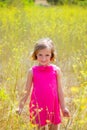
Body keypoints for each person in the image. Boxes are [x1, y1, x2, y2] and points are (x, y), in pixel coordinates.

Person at [16, 38, 70, 130]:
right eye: (40, 55)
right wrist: (20, 107)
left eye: (47, 55)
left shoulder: (56, 70)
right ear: (35, 55)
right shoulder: (32, 71)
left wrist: (63, 108)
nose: (43, 58)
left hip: (53, 106)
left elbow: (60, 91)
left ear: (51, 55)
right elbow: (26, 91)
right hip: (38, 107)